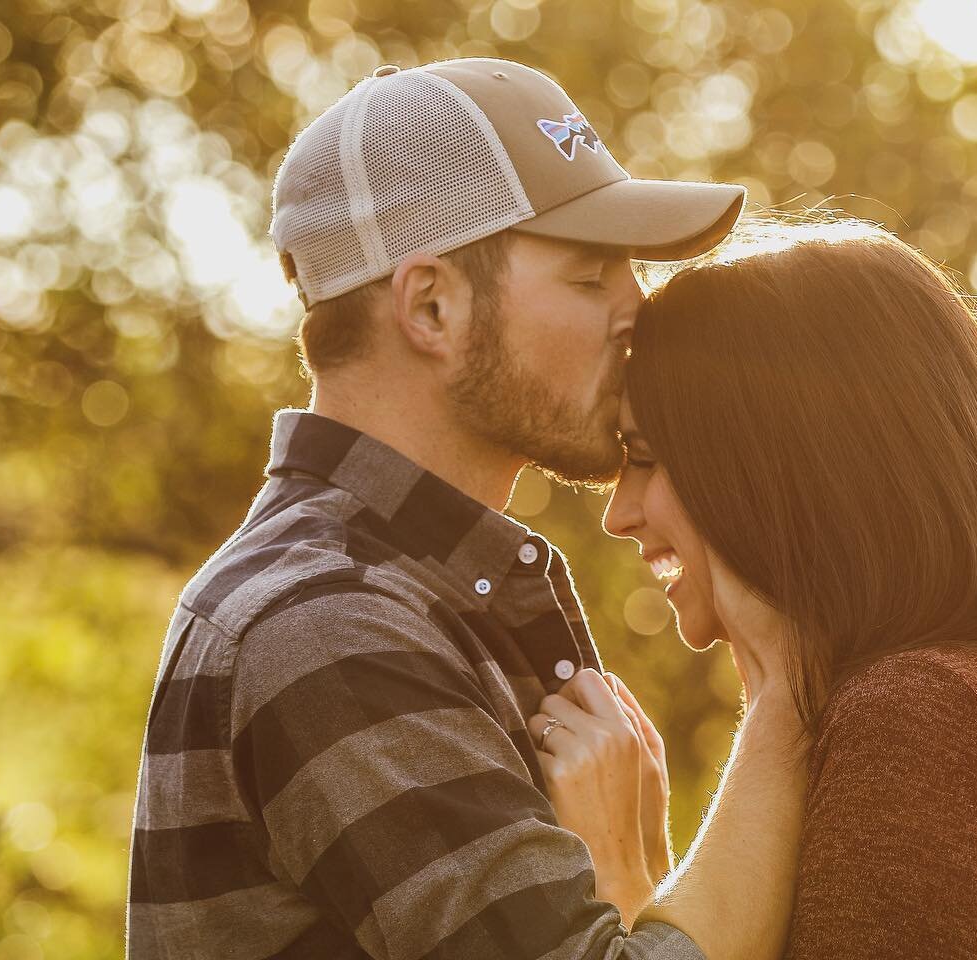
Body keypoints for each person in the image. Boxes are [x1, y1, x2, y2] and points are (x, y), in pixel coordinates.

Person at [126, 58, 808, 960]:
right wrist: (790, 692)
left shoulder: (414, 595)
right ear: (433, 305)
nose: (635, 308)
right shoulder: (328, 625)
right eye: (590, 274)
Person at [539, 215, 977, 959]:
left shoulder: (928, 717)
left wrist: (617, 889)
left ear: (780, 467)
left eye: (647, 456)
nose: (619, 513)